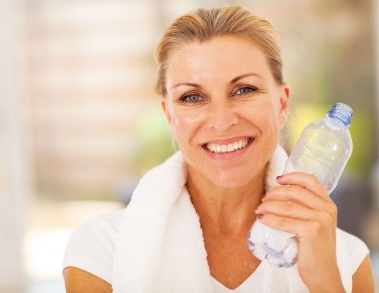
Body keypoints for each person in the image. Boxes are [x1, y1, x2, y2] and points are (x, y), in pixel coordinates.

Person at [63, 5, 376, 293]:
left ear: (281, 104)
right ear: (169, 115)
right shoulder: (102, 251)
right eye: (192, 97)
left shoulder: (346, 258)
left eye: (243, 90)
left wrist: (326, 281)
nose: (222, 121)